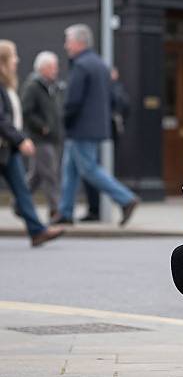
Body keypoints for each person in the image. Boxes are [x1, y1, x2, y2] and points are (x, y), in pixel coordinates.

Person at [52, 24, 139, 226]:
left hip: (80, 127)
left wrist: (64, 120)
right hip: (95, 126)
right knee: (70, 169)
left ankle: (126, 199)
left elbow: (73, 101)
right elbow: (111, 97)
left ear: (78, 42)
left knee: (89, 169)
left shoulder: (81, 65)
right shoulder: (100, 64)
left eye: (68, 41)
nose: (66, 46)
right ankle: (65, 212)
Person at [0, 40, 64, 247]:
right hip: (9, 143)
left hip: (8, 146)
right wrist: (21, 139)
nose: (17, 60)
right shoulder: (26, 86)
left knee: (23, 189)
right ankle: (46, 220)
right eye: (14, 56)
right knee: (43, 177)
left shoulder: (8, 85)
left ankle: (37, 231)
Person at [80, 67, 131, 223]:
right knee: (88, 170)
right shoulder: (107, 88)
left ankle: (122, 201)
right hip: (100, 135)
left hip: (104, 136)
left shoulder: (113, 88)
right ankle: (89, 209)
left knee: (92, 170)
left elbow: (122, 105)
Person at [21, 51, 63, 220]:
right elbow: (27, 111)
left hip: (51, 138)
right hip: (40, 139)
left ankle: (19, 203)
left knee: (37, 176)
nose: (56, 70)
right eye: (52, 67)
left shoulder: (52, 86)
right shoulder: (33, 86)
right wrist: (42, 127)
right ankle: (55, 210)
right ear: (42, 68)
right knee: (50, 174)